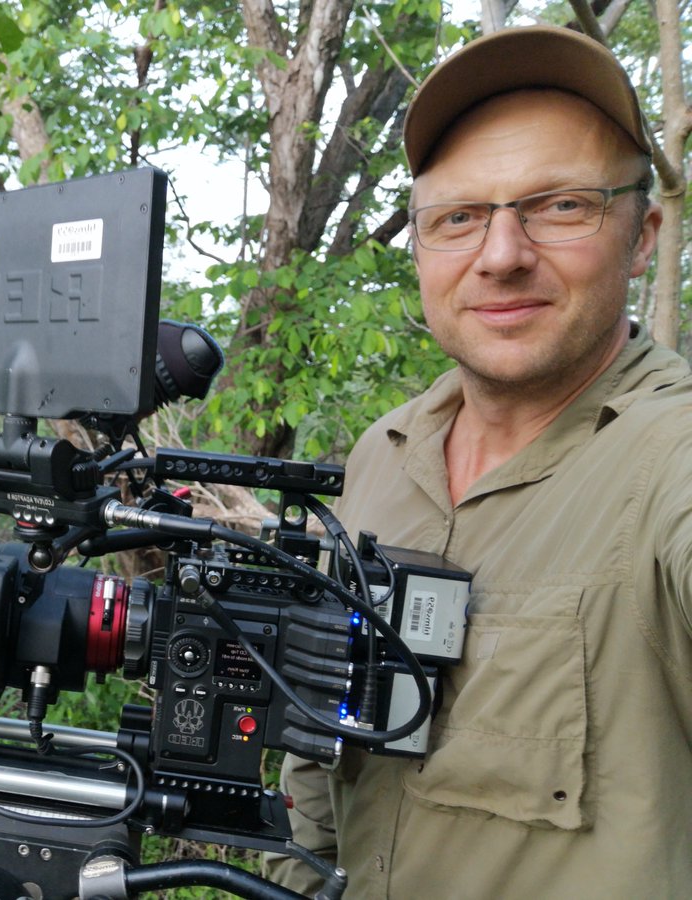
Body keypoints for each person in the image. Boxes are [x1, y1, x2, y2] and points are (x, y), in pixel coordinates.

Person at [264, 25, 690, 899]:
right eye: (459, 218)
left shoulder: (668, 456)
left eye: (561, 205)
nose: (501, 256)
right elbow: (316, 759)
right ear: (419, 248)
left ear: (642, 235)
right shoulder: (382, 455)